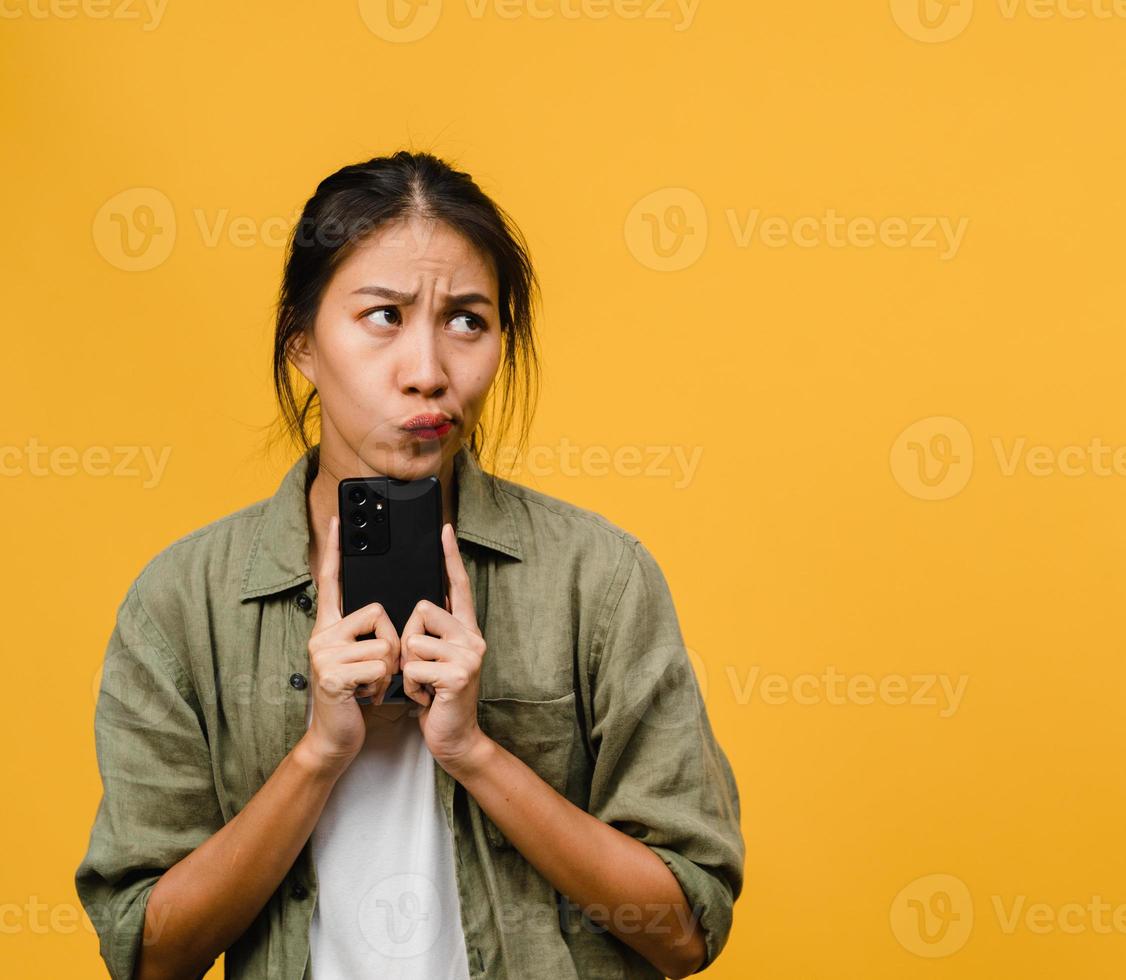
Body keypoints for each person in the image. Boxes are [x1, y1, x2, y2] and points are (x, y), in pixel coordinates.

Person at [74, 150, 744, 980]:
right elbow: (146, 952)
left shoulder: (598, 579)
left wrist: (475, 751)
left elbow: (684, 929)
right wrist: (318, 753)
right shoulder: (182, 604)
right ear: (303, 346)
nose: (430, 374)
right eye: (384, 316)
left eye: (468, 320)